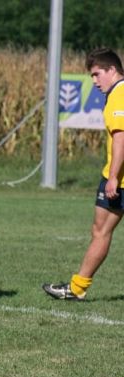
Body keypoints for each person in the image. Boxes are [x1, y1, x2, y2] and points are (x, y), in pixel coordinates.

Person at [43, 48, 124, 301]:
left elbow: (121, 138)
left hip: (120, 179)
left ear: (112, 70)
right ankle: (77, 287)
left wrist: (113, 177)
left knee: (100, 232)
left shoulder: (119, 95)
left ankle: (77, 289)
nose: (94, 81)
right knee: (100, 231)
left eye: (97, 74)